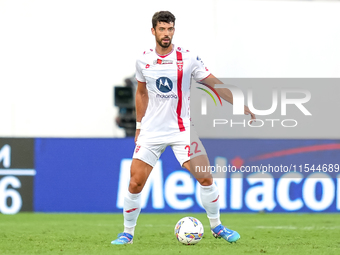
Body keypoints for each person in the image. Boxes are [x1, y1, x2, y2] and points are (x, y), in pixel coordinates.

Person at [111, 11, 255, 245]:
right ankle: (127, 233)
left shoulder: (188, 58)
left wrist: (239, 103)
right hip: (151, 131)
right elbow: (141, 92)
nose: (166, 34)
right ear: (153, 31)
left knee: (206, 177)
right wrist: (139, 125)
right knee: (135, 182)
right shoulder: (143, 60)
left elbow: (214, 84)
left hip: (181, 129)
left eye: (170, 29)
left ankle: (217, 227)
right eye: (162, 29)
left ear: (173, 31)